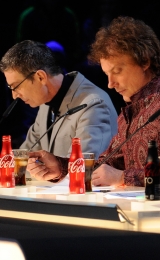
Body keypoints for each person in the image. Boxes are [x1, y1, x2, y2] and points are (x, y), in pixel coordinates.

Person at [28, 16, 160, 187]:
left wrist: (123, 178)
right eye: (106, 74)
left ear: (144, 61)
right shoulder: (132, 109)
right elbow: (105, 167)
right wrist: (61, 167)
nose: (110, 84)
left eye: (117, 71)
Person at [0, 41, 117, 172]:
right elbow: (23, 160)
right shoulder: (45, 102)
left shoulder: (93, 104)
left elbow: (85, 170)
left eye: (16, 86)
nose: (14, 95)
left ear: (40, 77)